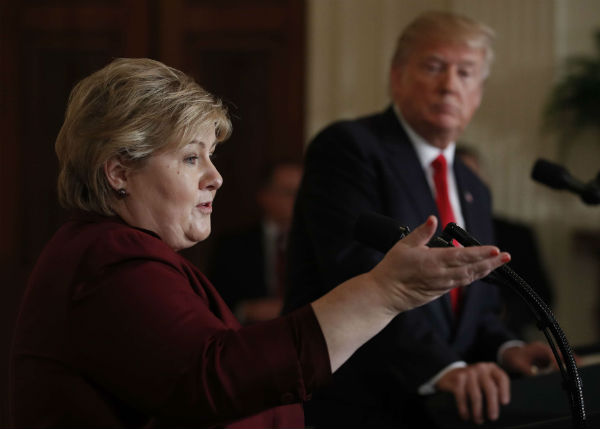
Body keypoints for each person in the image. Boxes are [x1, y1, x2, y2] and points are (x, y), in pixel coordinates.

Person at [8, 58, 509, 429]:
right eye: (190, 157)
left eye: (211, 155)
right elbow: (217, 377)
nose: (215, 178)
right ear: (119, 171)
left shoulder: (115, 250)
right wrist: (386, 292)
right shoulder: (110, 258)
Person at [284, 11, 555, 427]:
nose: (450, 85)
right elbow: (359, 278)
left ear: (478, 92)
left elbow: (474, 305)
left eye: (466, 73)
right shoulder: (350, 149)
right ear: (397, 76)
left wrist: (507, 349)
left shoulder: (472, 186)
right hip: (357, 406)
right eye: (433, 67)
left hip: (442, 412)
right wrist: (444, 369)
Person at [456, 144, 555, 339]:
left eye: (473, 178)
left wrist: (504, 313)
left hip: (505, 340)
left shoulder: (516, 234)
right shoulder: (431, 234)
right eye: (458, 181)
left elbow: (543, 296)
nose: (467, 188)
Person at [210, 162, 303, 324]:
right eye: (289, 192)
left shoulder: (317, 245)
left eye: (302, 193)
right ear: (265, 195)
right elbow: (213, 301)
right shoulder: (232, 246)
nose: (297, 200)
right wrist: (245, 310)